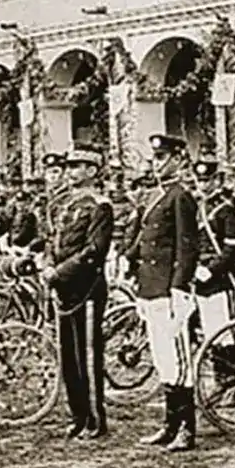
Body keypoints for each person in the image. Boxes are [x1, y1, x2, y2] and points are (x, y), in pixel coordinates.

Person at [127, 134, 200, 452]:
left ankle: (186, 429)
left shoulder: (181, 197)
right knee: (164, 360)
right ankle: (169, 426)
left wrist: (180, 287)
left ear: (179, 160)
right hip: (151, 288)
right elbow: (144, 242)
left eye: (163, 158)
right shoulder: (157, 196)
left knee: (181, 362)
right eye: (155, 159)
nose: (157, 164)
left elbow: (187, 247)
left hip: (170, 289)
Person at [39, 146, 114, 440]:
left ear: (93, 171)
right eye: (69, 166)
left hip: (87, 288)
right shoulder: (63, 205)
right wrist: (47, 266)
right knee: (68, 355)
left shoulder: (100, 206)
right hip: (63, 288)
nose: (71, 172)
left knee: (88, 355)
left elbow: (94, 251)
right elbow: (51, 242)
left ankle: (95, 419)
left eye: (78, 166)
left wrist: (58, 273)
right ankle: (77, 414)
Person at [191, 155, 235, 393]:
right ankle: (220, 382)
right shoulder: (198, 208)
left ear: (217, 180)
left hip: (223, 279)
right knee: (211, 333)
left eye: (208, 180)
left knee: (228, 333)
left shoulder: (225, 209)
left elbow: (234, 248)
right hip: (202, 279)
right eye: (200, 181)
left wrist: (212, 269)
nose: (204, 185)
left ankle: (232, 385)